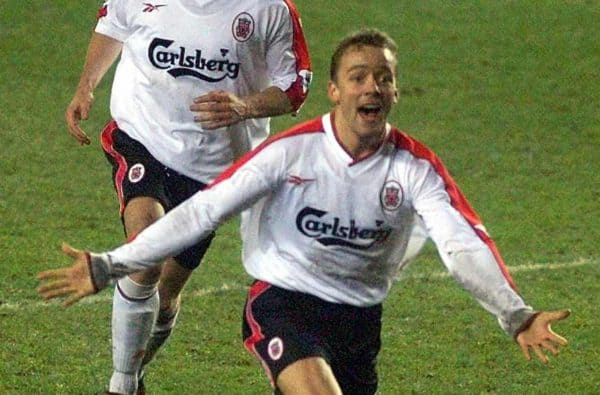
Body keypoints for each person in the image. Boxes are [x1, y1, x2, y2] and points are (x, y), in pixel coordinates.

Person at [40, 29, 569, 395]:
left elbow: (460, 243)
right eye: (358, 77)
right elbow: (200, 212)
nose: (371, 87)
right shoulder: (289, 155)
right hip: (283, 305)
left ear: (395, 92)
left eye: (382, 78)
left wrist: (515, 313)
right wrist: (111, 264)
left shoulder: (415, 169)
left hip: (359, 322)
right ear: (335, 91)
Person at [64, 0, 311, 393]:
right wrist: (85, 86)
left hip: (213, 170)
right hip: (142, 136)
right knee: (147, 248)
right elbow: (113, 23)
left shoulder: (270, 9)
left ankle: (136, 368)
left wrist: (245, 106)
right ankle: (123, 384)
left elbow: (295, 86)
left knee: (165, 298)